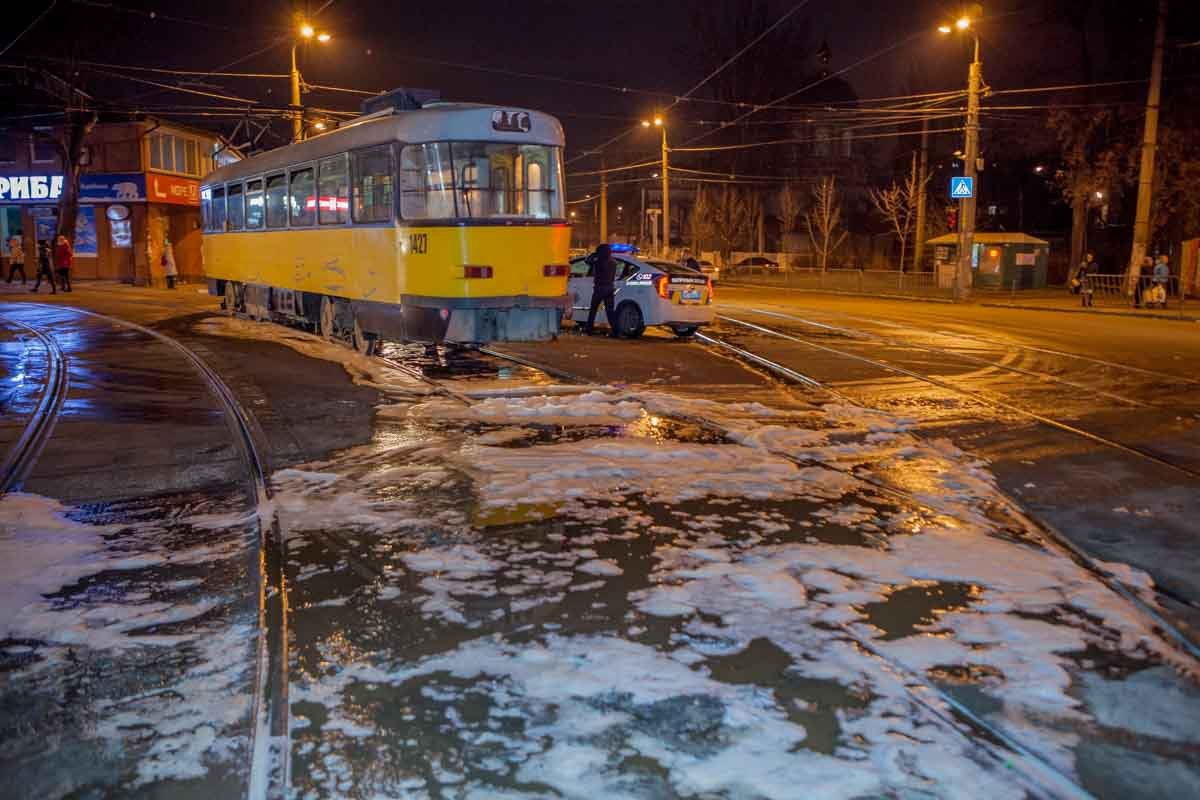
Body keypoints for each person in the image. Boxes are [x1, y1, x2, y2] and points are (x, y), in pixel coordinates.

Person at [582, 243, 618, 335]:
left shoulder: (599, 261)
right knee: (610, 311)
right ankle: (616, 331)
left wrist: (594, 254)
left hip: (599, 288)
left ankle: (589, 329)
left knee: (593, 309)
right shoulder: (613, 262)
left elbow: (587, 261)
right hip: (610, 287)